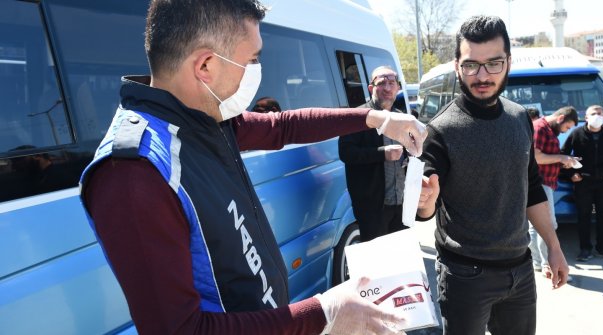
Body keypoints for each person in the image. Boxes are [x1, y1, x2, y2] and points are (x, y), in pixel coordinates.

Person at [78, 1, 427, 334]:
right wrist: (323, 313)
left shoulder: (203, 117)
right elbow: (180, 329)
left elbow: (283, 127)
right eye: (253, 59)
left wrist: (376, 118)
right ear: (205, 67)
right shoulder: (134, 173)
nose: (258, 72)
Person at [415, 15, 570, 335]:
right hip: (464, 276)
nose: (482, 75)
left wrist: (553, 246)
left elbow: (531, 188)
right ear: (457, 65)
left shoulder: (519, 119)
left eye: (494, 63)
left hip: (521, 271)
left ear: (508, 62)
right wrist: (424, 201)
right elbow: (425, 203)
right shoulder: (440, 130)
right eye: (471, 65)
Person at [339, 66, 408, 242]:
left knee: (402, 261)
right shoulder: (356, 118)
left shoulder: (404, 118)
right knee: (377, 265)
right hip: (373, 209)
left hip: (401, 205)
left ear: (398, 88)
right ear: (371, 88)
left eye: (391, 83)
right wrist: (381, 154)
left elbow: (412, 153)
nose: (387, 88)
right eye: (381, 83)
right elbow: (346, 153)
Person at [561, 105, 603, 262]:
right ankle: (585, 249)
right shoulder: (576, 134)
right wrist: (572, 174)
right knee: (583, 216)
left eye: (600, 114)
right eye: (594, 114)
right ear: (586, 117)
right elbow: (563, 154)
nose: (597, 116)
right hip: (584, 182)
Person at [529, 106, 579, 278]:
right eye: (567, 126)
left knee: (537, 226)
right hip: (540, 182)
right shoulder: (540, 128)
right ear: (560, 118)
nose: (567, 131)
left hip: (542, 182)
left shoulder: (546, 128)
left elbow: (545, 156)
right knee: (548, 225)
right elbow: (535, 156)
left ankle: (538, 263)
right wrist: (561, 158)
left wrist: (565, 161)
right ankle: (549, 265)